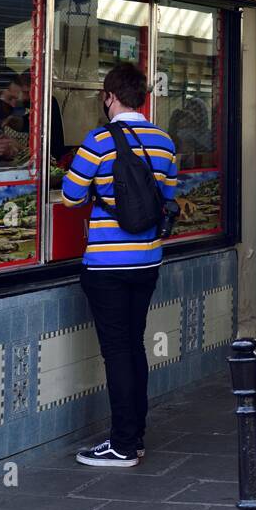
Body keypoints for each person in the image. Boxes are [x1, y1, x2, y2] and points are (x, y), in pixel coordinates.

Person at [63, 62, 178, 467]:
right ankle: (135, 437)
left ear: (110, 96)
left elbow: (71, 198)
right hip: (147, 260)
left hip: (107, 264)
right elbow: (166, 197)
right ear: (142, 97)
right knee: (134, 345)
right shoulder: (163, 141)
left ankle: (123, 444)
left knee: (117, 351)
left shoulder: (98, 140)